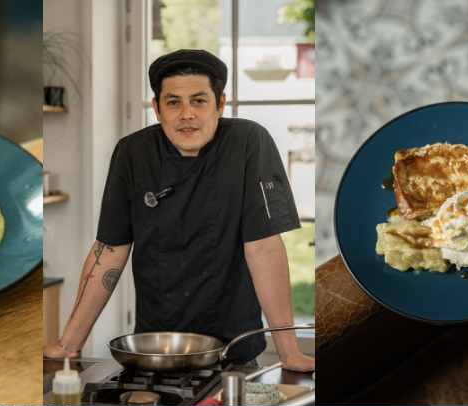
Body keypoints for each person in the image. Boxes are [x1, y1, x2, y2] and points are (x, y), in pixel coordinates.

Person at [43, 48, 314, 371]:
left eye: (199, 101)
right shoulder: (133, 152)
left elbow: (264, 248)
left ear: (220, 104)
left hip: (234, 350)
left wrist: (290, 354)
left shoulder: (248, 142)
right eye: (173, 102)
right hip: (156, 347)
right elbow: (109, 250)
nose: (187, 114)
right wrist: (68, 344)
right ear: (157, 109)